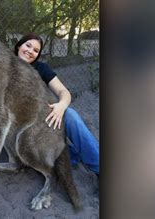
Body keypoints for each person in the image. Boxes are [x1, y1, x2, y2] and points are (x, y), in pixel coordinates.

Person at [14, 33, 99, 175]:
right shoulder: (3, 68)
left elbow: (63, 91)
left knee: (70, 115)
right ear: (18, 46)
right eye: (28, 45)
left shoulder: (41, 68)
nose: (30, 51)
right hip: (17, 126)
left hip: (41, 118)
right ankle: (71, 154)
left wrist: (61, 106)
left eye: (36, 50)